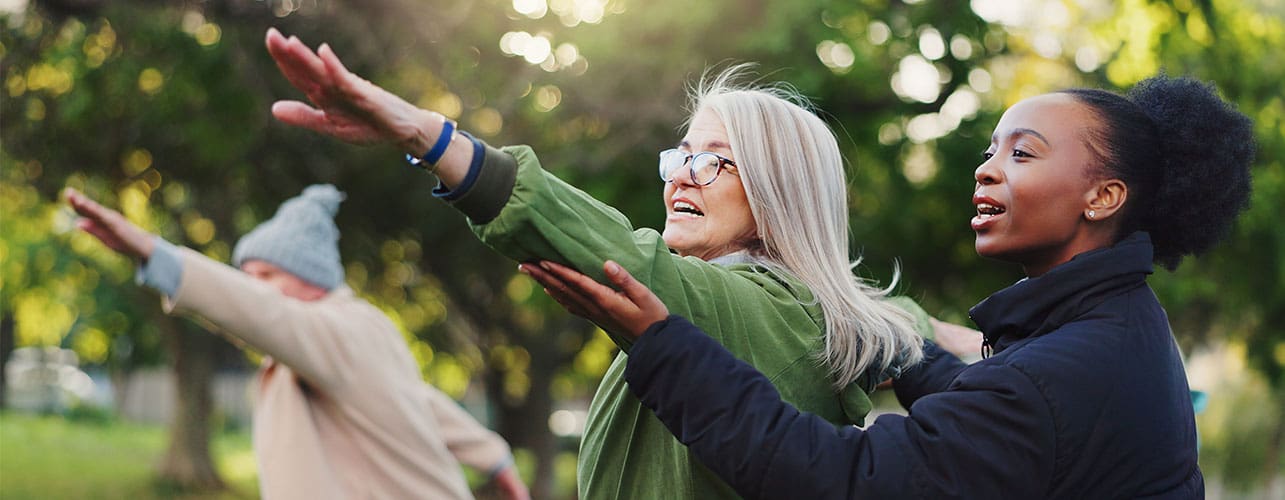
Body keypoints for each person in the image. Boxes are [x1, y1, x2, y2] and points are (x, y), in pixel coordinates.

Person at [261, 28, 971, 498]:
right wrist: (969, 338)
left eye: (713, 162)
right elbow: (888, 316)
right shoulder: (821, 312)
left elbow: (614, 252)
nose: (680, 178)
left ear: (778, 189)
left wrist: (424, 134)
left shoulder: (758, 303)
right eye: (679, 155)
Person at [521, 75, 1255, 499]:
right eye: (989, 148)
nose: (986, 169)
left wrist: (664, 347)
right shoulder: (1107, 327)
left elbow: (844, 479)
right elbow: (979, 415)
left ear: (1102, 198)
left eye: (1022, 153)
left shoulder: (1066, 369)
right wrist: (895, 337)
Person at [66, 185, 529, 500]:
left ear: (312, 279)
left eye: (268, 275)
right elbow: (421, 404)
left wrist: (155, 255)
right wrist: (494, 459)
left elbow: (263, 314)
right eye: (249, 278)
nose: (257, 288)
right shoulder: (355, 332)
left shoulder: (335, 329)